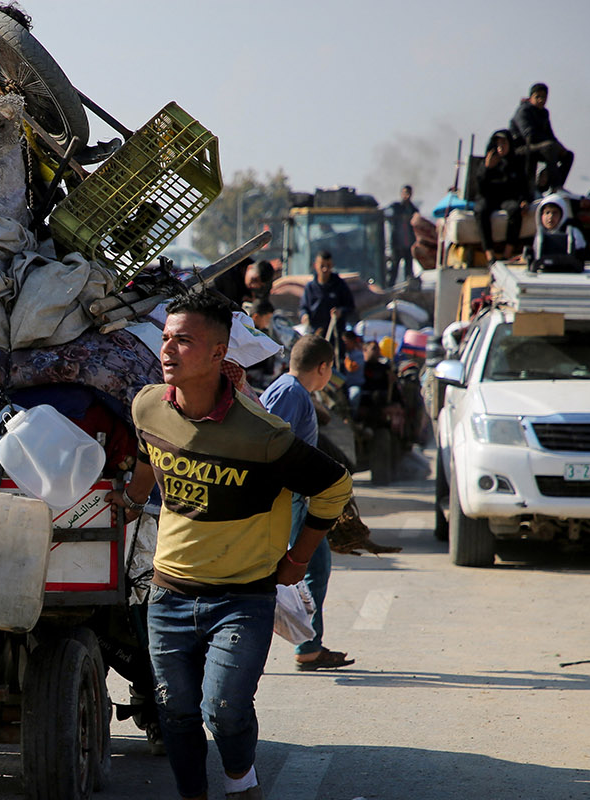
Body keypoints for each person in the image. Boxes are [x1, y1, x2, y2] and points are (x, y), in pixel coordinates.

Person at [114, 289, 352, 800]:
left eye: (184, 341)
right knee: (173, 711)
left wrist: (298, 558)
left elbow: (334, 485)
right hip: (168, 595)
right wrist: (132, 498)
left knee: (224, 709)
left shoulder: (262, 434)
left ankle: (242, 782)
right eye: (165, 338)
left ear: (220, 353)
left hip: (242, 600)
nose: (168, 350)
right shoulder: (148, 406)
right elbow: (143, 453)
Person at [260, 335, 353, 672]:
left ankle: (309, 644)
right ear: (324, 367)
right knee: (311, 569)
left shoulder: (291, 390)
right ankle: (307, 645)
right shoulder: (290, 393)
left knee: (316, 567)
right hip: (290, 498)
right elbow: (269, 446)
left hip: (296, 497)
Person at [473, 131, 530, 261]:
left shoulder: (516, 163)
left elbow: (523, 186)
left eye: (504, 143)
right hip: (488, 198)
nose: (501, 147)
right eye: (498, 144)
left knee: (515, 210)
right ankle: (489, 254)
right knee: (480, 211)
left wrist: (524, 200)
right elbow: (480, 189)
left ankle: (507, 253)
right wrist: (488, 168)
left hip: (508, 198)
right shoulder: (486, 163)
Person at [510, 82, 573, 194]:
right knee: (549, 147)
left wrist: (560, 148)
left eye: (544, 97)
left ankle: (557, 187)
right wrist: (550, 143)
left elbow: (550, 135)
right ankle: (555, 185)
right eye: (537, 97)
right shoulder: (523, 111)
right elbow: (529, 135)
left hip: (538, 147)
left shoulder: (544, 113)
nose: (541, 100)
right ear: (531, 97)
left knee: (568, 155)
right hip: (521, 148)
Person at [299, 251, 356, 337]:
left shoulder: (339, 285)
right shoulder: (310, 287)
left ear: (332, 265)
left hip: (335, 333)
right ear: (315, 266)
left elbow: (350, 306)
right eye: (322, 266)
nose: (325, 269)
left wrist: (340, 311)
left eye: (328, 266)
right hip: (316, 333)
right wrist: (304, 316)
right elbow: (303, 308)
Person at [524, 195, 588, 263]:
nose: (550, 217)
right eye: (547, 212)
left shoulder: (573, 233)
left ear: (562, 215)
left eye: (555, 213)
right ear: (541, 215)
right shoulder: (539, 235)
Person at [384, 185, 418, 283]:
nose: (406, 195)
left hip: (408, 245)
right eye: (405, 193)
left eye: (408, 193)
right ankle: (390, 288)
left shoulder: (413, 210)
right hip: (397, 245)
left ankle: (409, 289)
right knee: (394, 269)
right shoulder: (396, 207)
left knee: (409, 270)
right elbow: (387, 214)